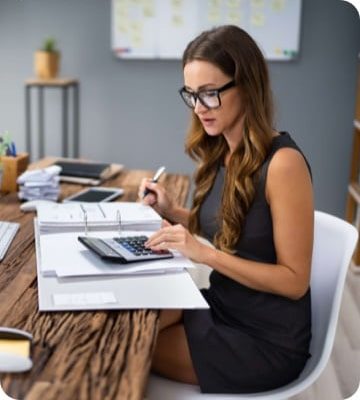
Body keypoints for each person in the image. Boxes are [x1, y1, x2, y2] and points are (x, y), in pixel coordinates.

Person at [139, 25, 314, 394]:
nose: (200, 108)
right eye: (192, 94)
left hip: (265, 340)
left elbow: (294, 281)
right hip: (222, 305)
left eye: (211, 93)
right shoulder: (224, 150)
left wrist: (204, 254)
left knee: (130, 346)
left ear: (247, 86)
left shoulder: (283, 164)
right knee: (128, 321)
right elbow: (236, 231)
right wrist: (175, 213)